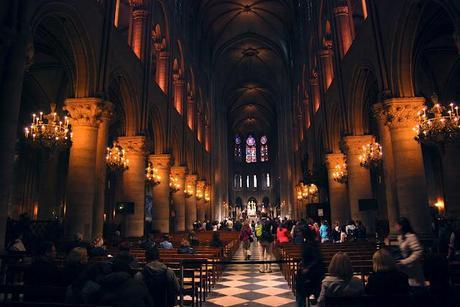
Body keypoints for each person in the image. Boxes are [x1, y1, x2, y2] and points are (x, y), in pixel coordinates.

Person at [396, 217, 424, 287]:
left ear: (401, 226)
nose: (395, 227)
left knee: (416, 286)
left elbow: (418, 252)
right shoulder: (400, 237)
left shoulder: (411, 237)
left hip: (413, 268)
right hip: (405, 268)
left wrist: (405, 261)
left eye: (397, 225)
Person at [296, 240, 325, 307]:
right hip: (317, 281)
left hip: (310, 281)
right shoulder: (318, 254)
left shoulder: (308, 249)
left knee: (300, 294)